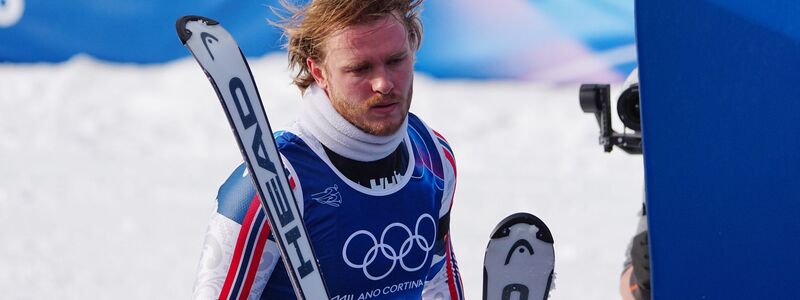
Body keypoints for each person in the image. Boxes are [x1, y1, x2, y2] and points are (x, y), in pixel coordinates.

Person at [191, 0, 464, 299]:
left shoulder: (432, 156)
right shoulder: (273, 184)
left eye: (395, 60)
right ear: (319, 72)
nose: (383, 84)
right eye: (360, 68)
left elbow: (439, 282)